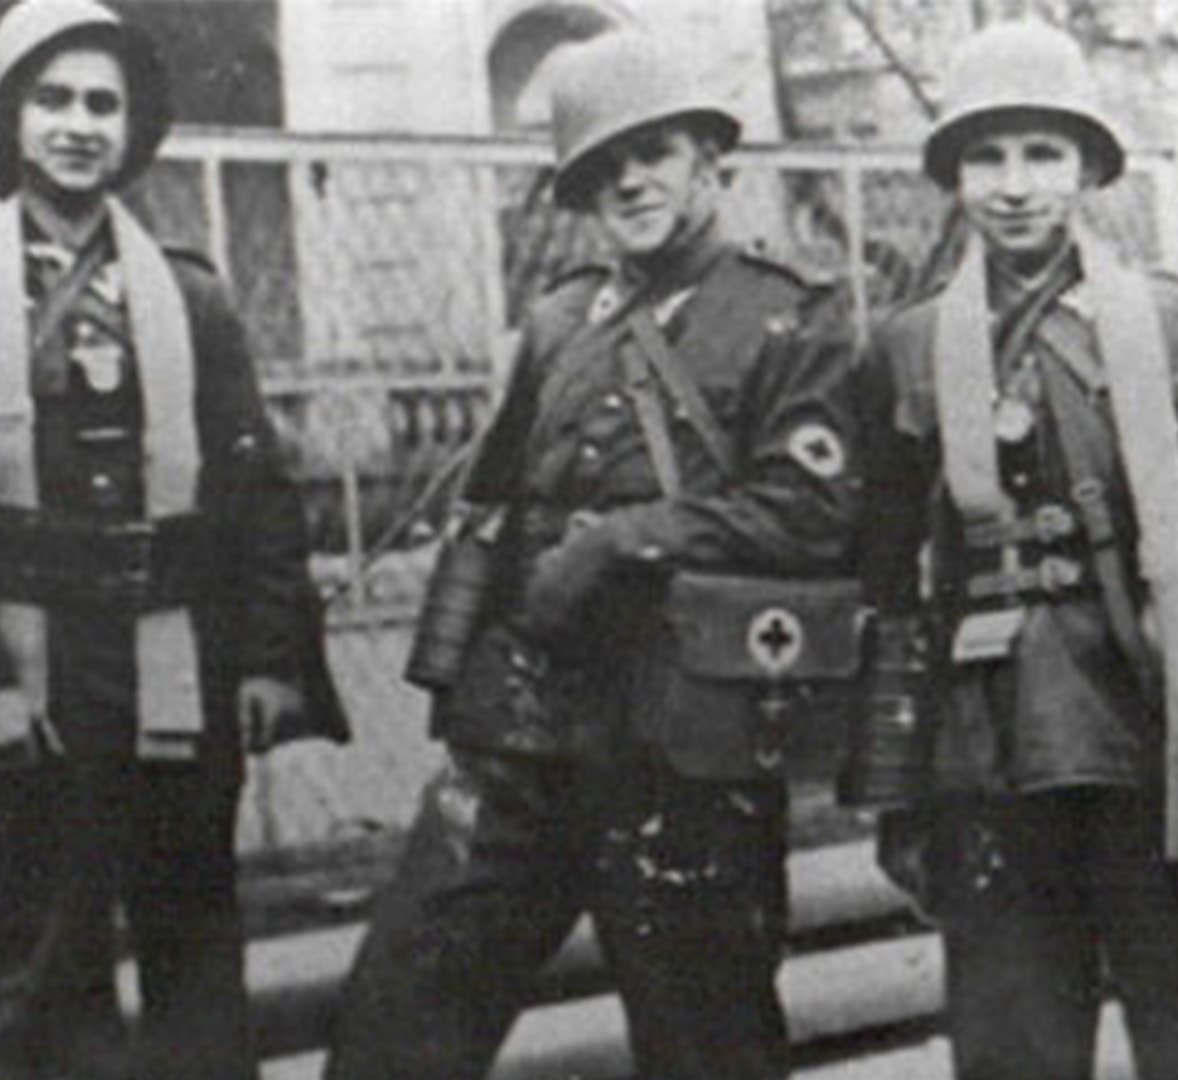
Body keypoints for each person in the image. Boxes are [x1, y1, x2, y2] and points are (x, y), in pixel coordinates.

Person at [848, 20, 1178, 1080]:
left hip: (1153, 732)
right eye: (987, 157)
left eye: (1043, 153)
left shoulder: (1173, 324)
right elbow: (884, 581)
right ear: (954, 176)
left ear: (1088, 168)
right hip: (989, 747)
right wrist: (899, 786)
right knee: (1011, 1052)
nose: (1015, 186)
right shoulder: (908, 347)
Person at [324, 30, 858, 1080]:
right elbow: (494, 505)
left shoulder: (789, 317)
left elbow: (811, 511)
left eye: (653, 152)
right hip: (525, 735)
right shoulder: (562, 319)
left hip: (689, 742)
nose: (630, 181)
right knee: (395, 1020)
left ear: (710, 159)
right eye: (602, 166)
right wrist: (466, 678)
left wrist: (624, 541)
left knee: (708, 1048)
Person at [0, 1, 346, 1076]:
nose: (79, 124)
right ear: (12, 121)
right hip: (39, 678)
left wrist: (268, 657)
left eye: (103, 105)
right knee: (50, 964)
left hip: (182, 662)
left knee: (196, 949)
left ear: (131, 129)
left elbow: (258, 495)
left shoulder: (192, 300)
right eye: (54, 100)